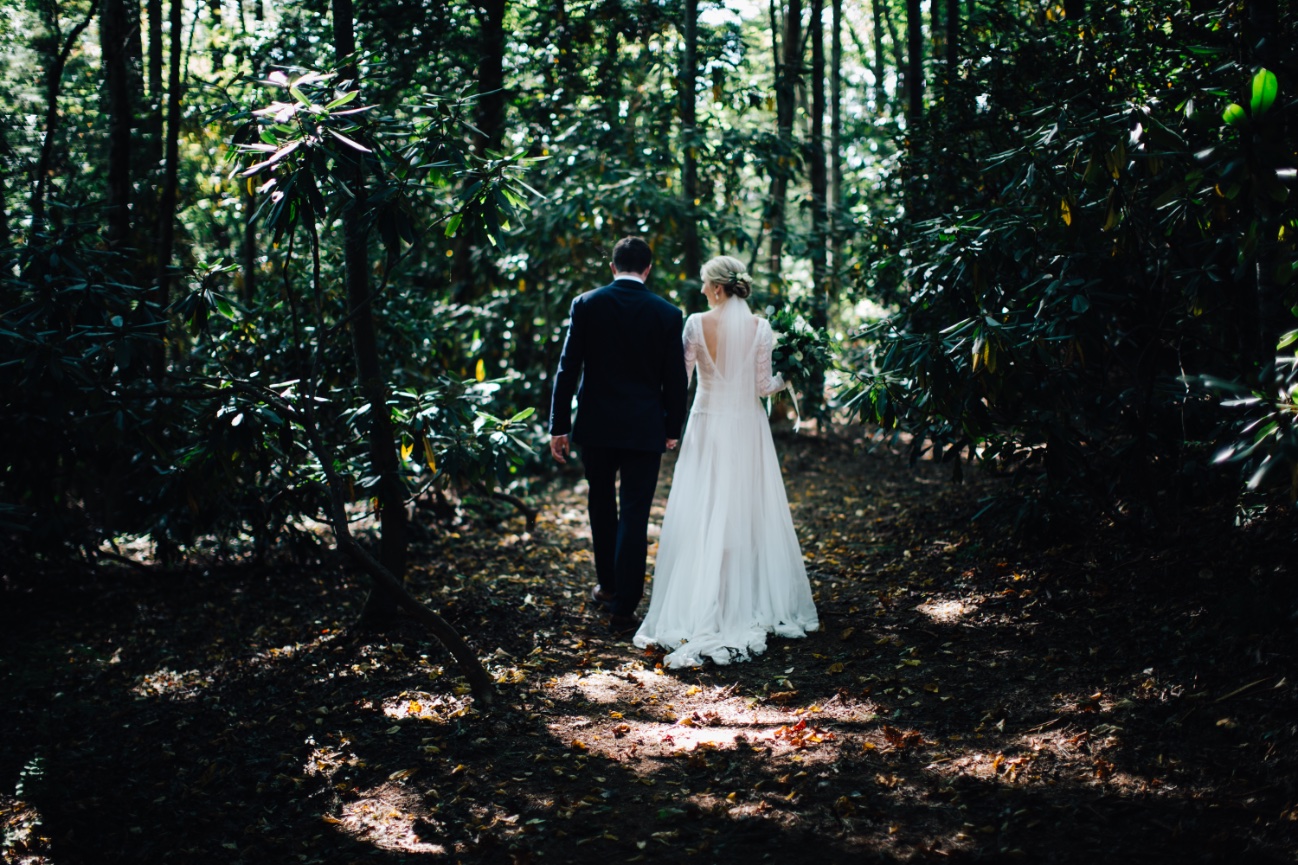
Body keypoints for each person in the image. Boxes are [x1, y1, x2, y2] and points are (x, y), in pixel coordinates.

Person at [633, 255, 819, 668]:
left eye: (705, 283)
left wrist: (663, 419)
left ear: (718, 288)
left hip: (706, 425)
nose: (701, 290)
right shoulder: (761, 328)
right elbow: (764, 387)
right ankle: (744, 595)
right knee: (743, 507)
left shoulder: (695, 324)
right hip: (746, 427)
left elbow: (680, 381)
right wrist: (792, 371)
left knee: (704, 507)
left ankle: (704, 594)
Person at [548, 236, 688, 634]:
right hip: (645, 427)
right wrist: (672, 429)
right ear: (648, 269)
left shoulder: (586, 304)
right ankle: (624, 608)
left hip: (596, 426)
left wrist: (559, 426)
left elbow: (567, 368)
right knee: (635, 513)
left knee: (601, 504)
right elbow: (675, 379)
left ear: (612, 267)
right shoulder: (667, 313)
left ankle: (608, 586)